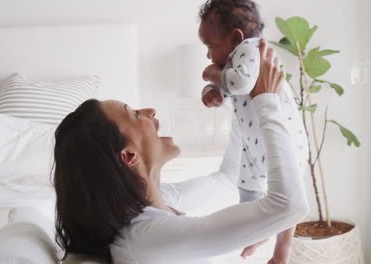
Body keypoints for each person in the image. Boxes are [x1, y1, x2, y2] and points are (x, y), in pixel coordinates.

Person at [53, 40, 309, 264]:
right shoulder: (146, 239)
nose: (150, 111)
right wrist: (266, 101)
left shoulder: (157, 203)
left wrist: (241, 96)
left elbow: (228, 179)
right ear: (129, 156)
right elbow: (290, 205)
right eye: (134, 114)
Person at [198, 0, 309, 262]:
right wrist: (211, 91)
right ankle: (256, 233)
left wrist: (212, 74)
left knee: (286, 197)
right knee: (248, 194)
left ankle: (283, 248)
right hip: (253, 143)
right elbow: (228, 88)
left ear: (235, 38)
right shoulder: (233, 60)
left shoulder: (251, 49)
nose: (208, 56)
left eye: (210, 46)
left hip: (282, 141)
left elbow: (240, 82)